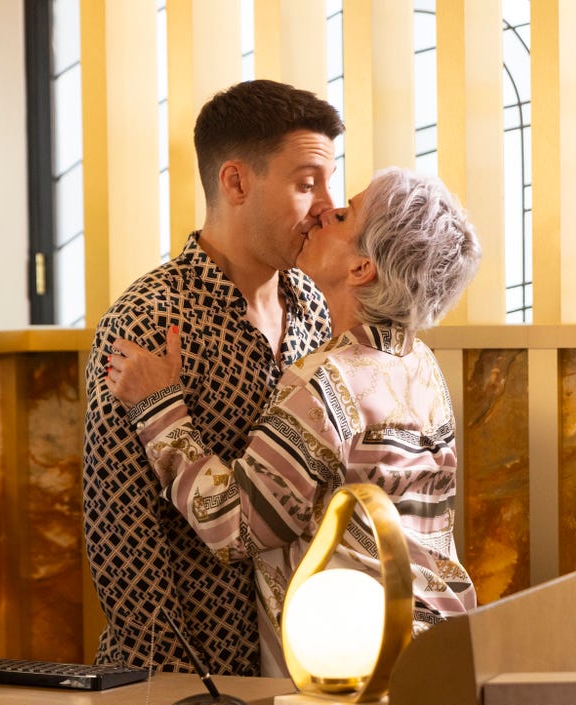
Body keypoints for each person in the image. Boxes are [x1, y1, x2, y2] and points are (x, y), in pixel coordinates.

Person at [105, 166, 482, 675]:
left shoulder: (327, 383)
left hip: (359, 667)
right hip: (441, 648)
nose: (324, 211)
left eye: (344, 215)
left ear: (361, 268)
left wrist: (158, 406)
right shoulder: (421, 366)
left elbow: (232, 524)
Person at [83, 79, 344, 675]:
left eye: (330, 181)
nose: (327, 205)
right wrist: (179, 683)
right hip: (193, 671)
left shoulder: (314, 304)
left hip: (308, 660)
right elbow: (122, 536)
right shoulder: (151, 320)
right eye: (307, 184)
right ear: (236, 182)